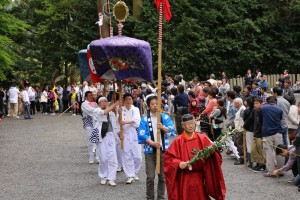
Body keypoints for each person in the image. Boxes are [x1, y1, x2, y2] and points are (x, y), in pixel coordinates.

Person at [164, 114, 226, 200]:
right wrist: (178, 163)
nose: (190, 126)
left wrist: (213, 151)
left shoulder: (203, 138)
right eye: (187, 124)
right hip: (185, 177)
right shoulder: (178, 141)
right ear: (183, 126)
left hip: (200, 177)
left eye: (192, 123)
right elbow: (168, 158)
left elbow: (214, 154)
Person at [137, 95, 175, 200]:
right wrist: (152, 143)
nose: (155, 106)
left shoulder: (164, 117)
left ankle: (161, 197)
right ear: (148, 106)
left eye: (156, 104)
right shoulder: (145, 118)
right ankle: (150, 197)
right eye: (152, 104)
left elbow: (172, 130)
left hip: (164, 150)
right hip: (150, 151)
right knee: (150, 177)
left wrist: (163, 127)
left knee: (163, 177)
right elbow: (141, 134)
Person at [93, 97, 120, 186]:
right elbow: (104, 112)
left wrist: (119, 113)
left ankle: (111, 178)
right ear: (98, 104)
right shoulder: (96, 111)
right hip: (102, 136)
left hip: (111, 136)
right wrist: (115, 104)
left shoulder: (111, 113)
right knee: (103, 158)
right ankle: (103, 176)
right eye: (102, 102)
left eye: (105, 101)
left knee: (112, 158)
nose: (104, 103)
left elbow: (117, 123)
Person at [118, 93, 142, 184]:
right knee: (127, 155)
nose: (128, 101)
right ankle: (129, 175)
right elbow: (118, 123)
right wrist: (119, 116)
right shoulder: (120, 110)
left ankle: (135, 171)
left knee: (138, 156)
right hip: (125, 134)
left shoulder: (135, 109)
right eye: (127, 99)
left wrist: (124, 122)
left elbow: (136, 121)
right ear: (124, 100)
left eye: (130, 99)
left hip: (134, 133)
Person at [261, 96, 285, 177]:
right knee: (280, 151)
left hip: (267, 132)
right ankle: (280, 171)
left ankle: (271, 172)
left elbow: (261, 118)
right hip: (278, 132)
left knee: (269, 152)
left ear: (267, 102)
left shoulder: (263, 108)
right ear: (276, 102)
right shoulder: (279, 109)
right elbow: (280, 119)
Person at [81, 91, 98, 164]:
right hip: (88, 123)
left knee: (97, 140)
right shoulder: (84, 104)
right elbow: (90, 111)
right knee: (90, 140)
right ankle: (91, 157)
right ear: (86, 97)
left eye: (92, 95)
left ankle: (98, 157)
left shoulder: (95, 103)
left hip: (96, 123)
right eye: (90, 95)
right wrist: (98, 110)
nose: (91, 96)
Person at [251, 98, 266, 172]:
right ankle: (257, 163)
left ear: (261, 104)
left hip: (261, 134)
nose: (255, 105)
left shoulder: (263, 111)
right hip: (255, 132)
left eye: (257, 103)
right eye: (254, 103)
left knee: (260, 150)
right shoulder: (254, 111)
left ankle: (262, 165)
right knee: (253, 150)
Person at [233, 97, 246, 165]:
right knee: (238, 144)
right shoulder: (240, 109)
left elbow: (244, 120)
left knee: (240, 144)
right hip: (238, 129)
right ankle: (241, 158)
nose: (234, 105)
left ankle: (242, 159)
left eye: (235, 104)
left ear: (238, 103)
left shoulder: (242, 109)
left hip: (240, 130)